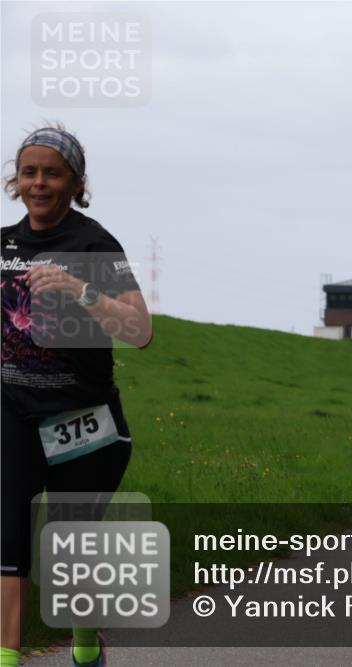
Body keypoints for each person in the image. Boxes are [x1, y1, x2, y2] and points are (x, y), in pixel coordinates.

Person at [1, 126, 152, 667]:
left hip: (82, 418)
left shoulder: (95, 244)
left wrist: (79, 289)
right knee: (8, 543)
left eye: (52, 173)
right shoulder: (4, 245)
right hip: (13, 415)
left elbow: (139, 330)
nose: (39, 182)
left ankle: (85, 645)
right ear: (15, 180)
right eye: (29, 172)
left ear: (75, 183)